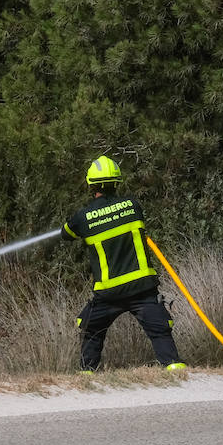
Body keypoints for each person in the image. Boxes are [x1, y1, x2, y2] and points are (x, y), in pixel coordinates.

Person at [61, 155, 185, 373]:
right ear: (117, 182)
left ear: (90, 184)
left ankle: (87, 374)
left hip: (108, 293)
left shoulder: (83, 217)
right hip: (141, 288)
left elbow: (67, 233)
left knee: (92, 330)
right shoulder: (133, 205)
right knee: (159, 330)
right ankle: (174, 368)